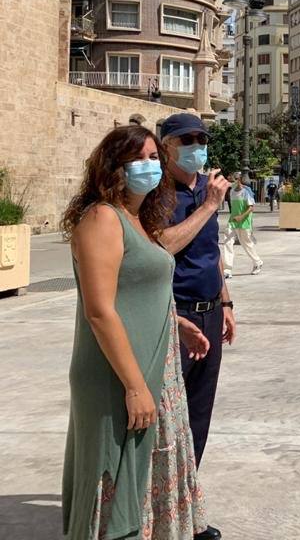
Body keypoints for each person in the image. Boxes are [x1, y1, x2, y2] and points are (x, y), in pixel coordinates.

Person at [60, 125, 211, 540]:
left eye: (153, 158)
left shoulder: (138, 219)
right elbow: (100, 310)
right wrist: (133, 387)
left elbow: (136, 288)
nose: (150, 166)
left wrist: (175, 323)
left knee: (146, 474)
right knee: (115, 476)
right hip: (119, 373)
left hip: (155, 365)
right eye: (138, 159)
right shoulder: (102, 218)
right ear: (114, 167)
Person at [158, 113, 232, 540]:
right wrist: (207, 207)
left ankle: (186, 508)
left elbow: (212, 250)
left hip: (209, 311)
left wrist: (227, 302)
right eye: (187, 139)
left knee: (198, 416)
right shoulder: (156, 193)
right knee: (168, 417)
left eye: (201, 138)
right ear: (167, 145)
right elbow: (164, 246)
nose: (197, 145)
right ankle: (158, 509)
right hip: (174, 313)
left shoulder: (207, 187)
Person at [222, 173, 263, 279]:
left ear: (238, 180)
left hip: (244, 222)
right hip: (233, 221)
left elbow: (251, 208)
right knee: (227, 242)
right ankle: (227, 269)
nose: (231, 183)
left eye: (233, 180)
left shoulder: (246, 192)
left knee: (246, 244)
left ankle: (257, 262)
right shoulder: (231, 192)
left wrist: (241, 217)